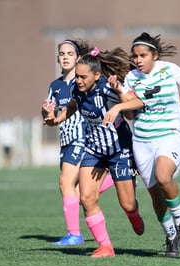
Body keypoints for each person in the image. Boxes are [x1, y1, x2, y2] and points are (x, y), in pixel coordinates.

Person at [103, 32, 180, 257]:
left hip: (170, 134)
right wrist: (119, 92)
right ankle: (171, 237)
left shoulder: (169, 69)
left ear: (154, 55)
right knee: (155, 196)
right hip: (142, 141)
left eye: (143, 55)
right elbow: (133, 115)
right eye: (135, 56)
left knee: (164, 176)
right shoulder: (131, 78)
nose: (138, 60)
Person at [43, 46, 144, 258]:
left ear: (97, 75)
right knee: (86, 197)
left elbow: (137, 103)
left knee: (127, 204)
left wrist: (117, 106)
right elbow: (72, 106)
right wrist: (56, 120)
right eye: (77, 77)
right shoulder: (76, 90)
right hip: (94, 150)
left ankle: (133, 212)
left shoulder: (107, 88)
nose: (78, 81)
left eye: (83, 77)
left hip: (119, 151)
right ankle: (106, 246)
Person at [41, 39, 114, 246]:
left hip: (82, 137)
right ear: (57, 58)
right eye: (61, 54)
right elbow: (51, 118)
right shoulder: (55, 86)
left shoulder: (83, 82)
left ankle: (74, 234)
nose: (65, 57)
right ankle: (118, 178)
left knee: (65, 183)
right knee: (78, 193)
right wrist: (46, 112)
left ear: (77, 58)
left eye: (69, 54)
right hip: (66, 140)